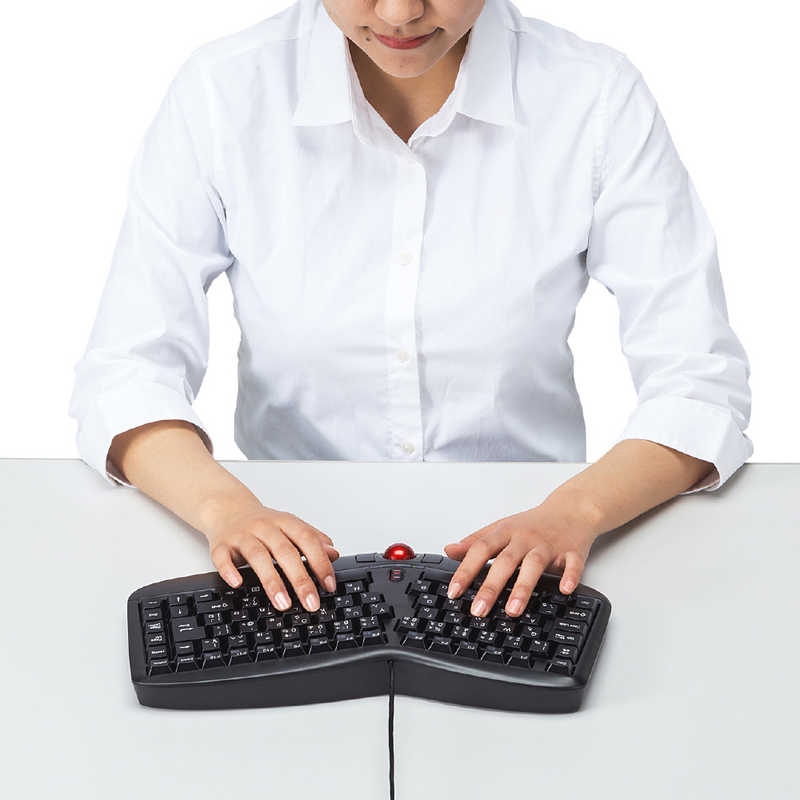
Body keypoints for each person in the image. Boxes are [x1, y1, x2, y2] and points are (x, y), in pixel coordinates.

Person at [68, 0, 752, 619]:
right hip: (289, 556)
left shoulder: (593, 94)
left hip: (535, 553)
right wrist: (225, 509)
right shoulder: (224, 89)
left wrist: (576, 511)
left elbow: (696, 382)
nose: (399, 13)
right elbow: (129, 371)